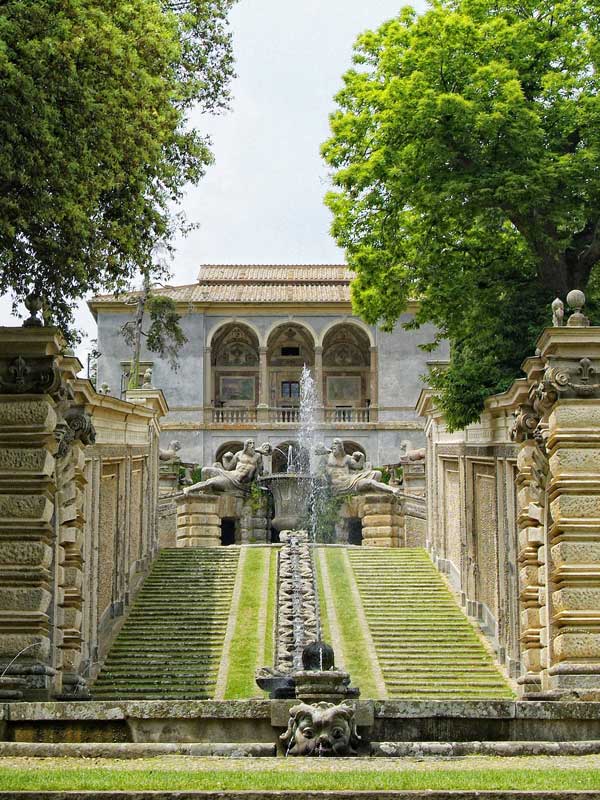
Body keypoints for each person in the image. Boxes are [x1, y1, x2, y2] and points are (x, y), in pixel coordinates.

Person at [184, 439, 271, 494]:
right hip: (230, 474)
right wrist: (224, 457)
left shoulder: (257, 457)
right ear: (245, 445)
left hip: (238, 482)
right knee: (205, 470)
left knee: (211, 482)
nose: (252, 445)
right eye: (249, 443)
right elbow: (228, 467)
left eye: (253, 443)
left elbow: (260, 473)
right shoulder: (239, 454)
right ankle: (203, 491)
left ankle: (190, 489)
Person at [319, 438, 401, 497]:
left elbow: (358, 466)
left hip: (350, 480)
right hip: (339, 485)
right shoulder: (327, 458)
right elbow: (320, 472)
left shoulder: (346, 458)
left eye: (336, 446)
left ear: (341, 448)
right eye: (333, 447)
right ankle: (391, 489)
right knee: (370, 482)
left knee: (377, 473)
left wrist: (362, 457)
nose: (334, 449)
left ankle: (372, 489)